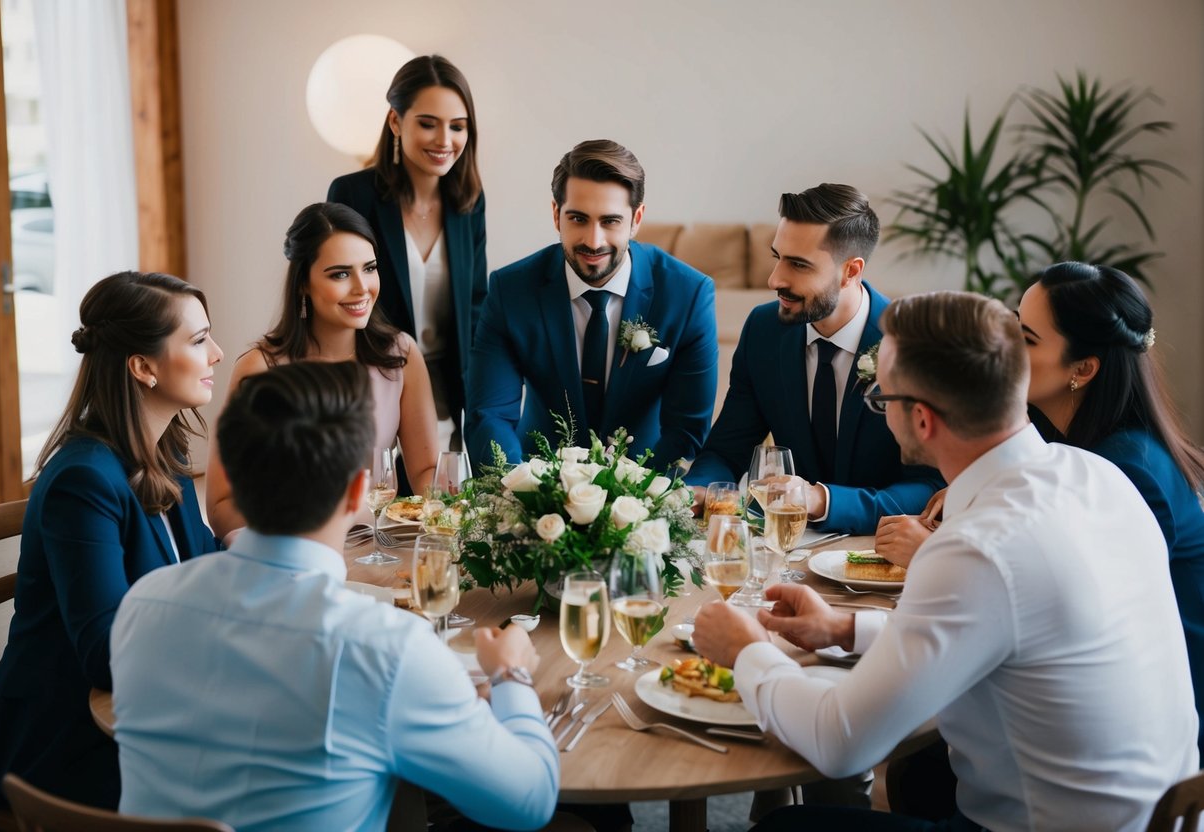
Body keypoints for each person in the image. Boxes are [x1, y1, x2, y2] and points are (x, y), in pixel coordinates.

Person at [693, 290, 1198, 831]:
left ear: (922, 420)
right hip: (1161, 815)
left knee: (787, 827)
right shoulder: (1095, 474)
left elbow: (839, 743)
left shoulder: (976, 547)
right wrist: (847, 628)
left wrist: (745, 651)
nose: (880, 410)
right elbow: (1002, 626)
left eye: (881, 398)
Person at [112, 361, 559, 831]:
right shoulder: (387, 649)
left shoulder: (142, 606)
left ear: (235, 485)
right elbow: (530, 802)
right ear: (357, 492)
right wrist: (511, 674)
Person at [877, 262, 1204, 758]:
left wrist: (933, 551)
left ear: (1082, 369)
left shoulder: (1123, 470)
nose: (1004, 350)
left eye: (1026, 339)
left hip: (1148, 723)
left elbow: (1063, 600)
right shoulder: (1066, 442)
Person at [0, 272, 222, 810]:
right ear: (142, 367)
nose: (216, 353)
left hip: (148, 712)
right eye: (197, 340)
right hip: (68, 741)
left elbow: (204, 566)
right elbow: (105, 654)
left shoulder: (164, 450)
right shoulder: (83, 480)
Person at [685, 184, 940, 535]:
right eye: (777, 257)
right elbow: (726, 451)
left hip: (880, 547)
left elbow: (930, 485)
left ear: (851, 271)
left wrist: (822, 500)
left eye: (799, 265)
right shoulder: (763, 329)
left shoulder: (913, 343)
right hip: (780, 545)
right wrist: (699, 490)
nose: (775, 279)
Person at [467, 138, 718, 470]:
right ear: (556, 215)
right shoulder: (510, 291)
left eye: (610, 221)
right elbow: (490, 414)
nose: (593, 241)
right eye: (578, 219)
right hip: (535, 478)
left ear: (636, 219)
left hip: (645, 481)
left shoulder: (688, 295)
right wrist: (517, 485)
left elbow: (686, 430)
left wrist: (638, 489)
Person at [205, 202, 437, 538]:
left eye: (369, 268)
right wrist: (312, 534)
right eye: (340, 274)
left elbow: (427, 470)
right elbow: (221, 506)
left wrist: (445, 515)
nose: (362, 287)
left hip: (377, 545)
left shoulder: (401, 355)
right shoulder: (261, 369)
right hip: (288, 548)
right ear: (303, 282)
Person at [328, 54, 485, 454]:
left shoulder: (469, 202)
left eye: (457, 126)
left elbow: (476, 303)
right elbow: (335, 294)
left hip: (450, 389)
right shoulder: (353, 194)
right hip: (374, 380)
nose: (444, 140)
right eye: (428, 123)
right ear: (396, 122)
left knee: (445, 490)